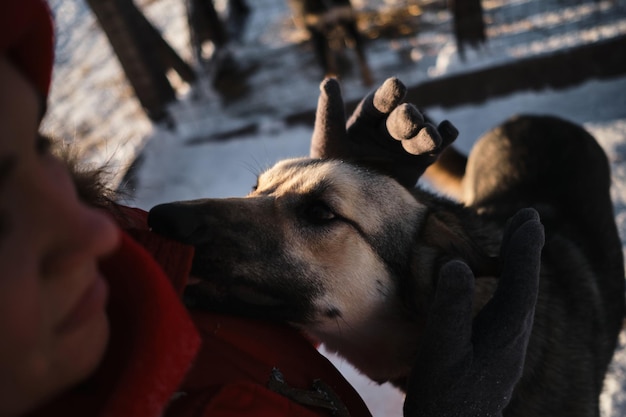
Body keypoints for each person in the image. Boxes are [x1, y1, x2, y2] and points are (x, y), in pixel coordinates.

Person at [0, 1, 544, 416]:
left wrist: (366, 195)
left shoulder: (113, 266)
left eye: (40, 150)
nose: (96, 233)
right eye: (1, 222)